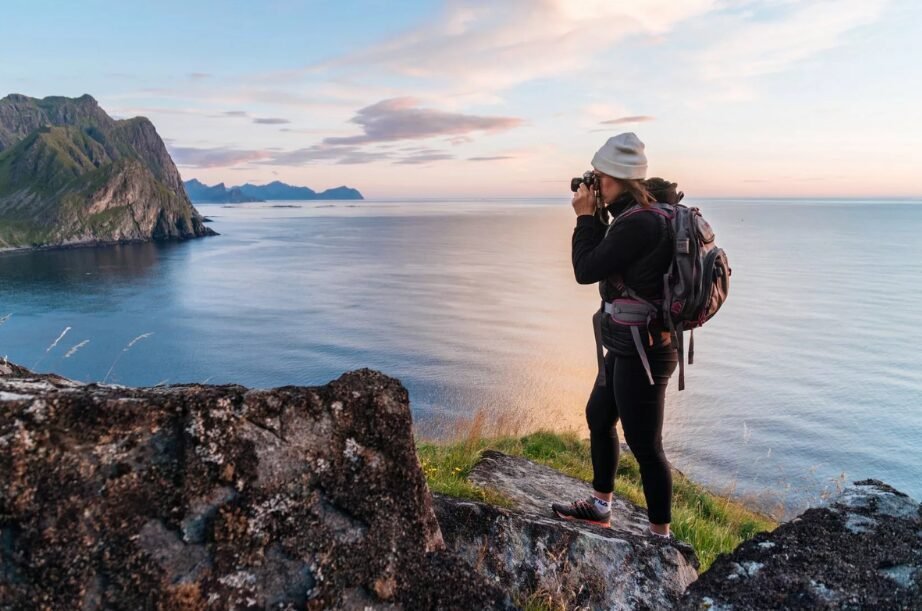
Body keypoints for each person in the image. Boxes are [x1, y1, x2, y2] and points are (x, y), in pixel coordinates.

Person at [551, 132, 680, 539]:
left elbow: (586, 269)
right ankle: (600, 506)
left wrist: (585, 217)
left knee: (645, 446)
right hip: (629, 343)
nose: (595, 184)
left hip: (644, 351)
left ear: (620, 179)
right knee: (599, 415)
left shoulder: (639, 223)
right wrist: (600, 213)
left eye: (601, 178)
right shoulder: (635, 213)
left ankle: (661, 538)